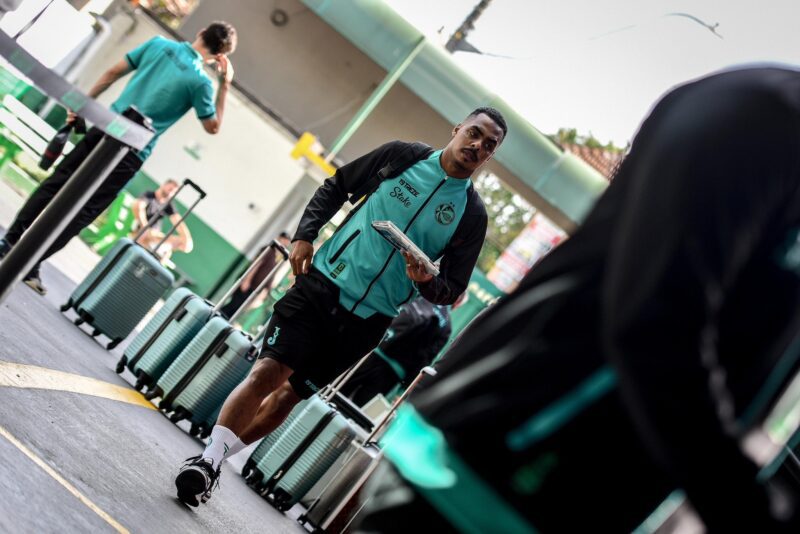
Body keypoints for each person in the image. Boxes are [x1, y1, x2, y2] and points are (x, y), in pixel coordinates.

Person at [358, 67, 800, 533]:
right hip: (500, 458)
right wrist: (746, 504)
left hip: (581, 494)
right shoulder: (762, 116)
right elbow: (655, 323)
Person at [173, 107, 507, 506]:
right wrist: (305, 235)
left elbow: (451, 289)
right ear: (457, 129)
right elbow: (336, 186)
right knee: (267, 372)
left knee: (289, 397)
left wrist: (425, 281)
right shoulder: (402, 156)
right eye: (474, 133)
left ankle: (213, 461)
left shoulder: (471, 215)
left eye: (489, 145)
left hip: (369, 320)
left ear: (490, 156)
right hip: (323, 285)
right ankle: (208, 461)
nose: (477, 145)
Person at [0, 21, 237, 295]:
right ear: (220, 57)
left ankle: (9, 242)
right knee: (85, 211)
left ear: (200, 32)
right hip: (131, 153)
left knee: (56, 184)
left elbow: (113, 72)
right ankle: (30, 263)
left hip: (106, 126)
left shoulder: (158, 44)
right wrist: (225, 85)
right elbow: (213, 127)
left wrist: (80, 105)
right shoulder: (201, 84)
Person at [340, 296, 452, 406]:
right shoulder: (447, 326)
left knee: (338, 390)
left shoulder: (422, 295)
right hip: (393, 372)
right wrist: (404, 389)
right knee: (360, 409)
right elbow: (426, 359)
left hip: (374, 350)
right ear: (457, 303)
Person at [218, 232, 292, 320]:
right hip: (247, 285)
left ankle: (221, 320)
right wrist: (246, 280)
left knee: (237, 310)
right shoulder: (268, 250)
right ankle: (215, 317)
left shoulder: (277, 258)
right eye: (284, 240)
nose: (284, 244)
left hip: (254, 290)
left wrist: (265, 291)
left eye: (286, 243)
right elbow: (256, 264)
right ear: (279, 238)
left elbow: (270, 277)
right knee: (233, 306)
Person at [130, 179, 193, 259]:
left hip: (155, 236)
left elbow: (178, 222)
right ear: (164, 185)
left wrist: (187, 239)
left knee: (177, 245)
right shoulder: (149, 195)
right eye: (170, 189)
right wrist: (145, 227)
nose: (170, 193)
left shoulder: (169, 204)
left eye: (173, 192)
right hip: (141, 231)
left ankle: (157, 254)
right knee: (145, 237)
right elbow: (138, 206)